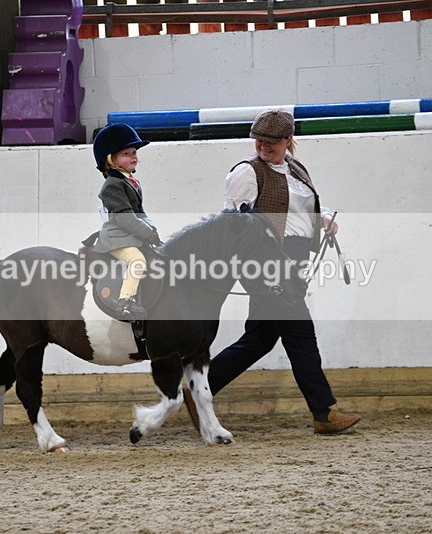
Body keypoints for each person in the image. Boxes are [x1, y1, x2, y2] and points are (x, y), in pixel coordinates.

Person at [188, 109, 361, 435]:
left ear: (287, 140)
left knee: (259, 340)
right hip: (266, 263)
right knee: (301, 334)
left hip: (292, 259)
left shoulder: (295, 168)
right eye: (259, 140)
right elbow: (232, 223)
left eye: (271, 141)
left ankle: (200, 387)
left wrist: (321, 221)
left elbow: (297, 208)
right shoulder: (246, 173)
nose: (263, 147)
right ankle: (323, 413)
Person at [90, 123, 163, 321]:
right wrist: (147, 233)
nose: (133, 157)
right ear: (110, 160)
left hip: (131, 234)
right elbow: (126, 218)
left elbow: (139, 212)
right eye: (126, 154)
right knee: (137, 261)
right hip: (118, 238)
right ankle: (125, 301)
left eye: (134, 152)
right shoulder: (111, 186)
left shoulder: (130, 181)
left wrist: (152, 229)